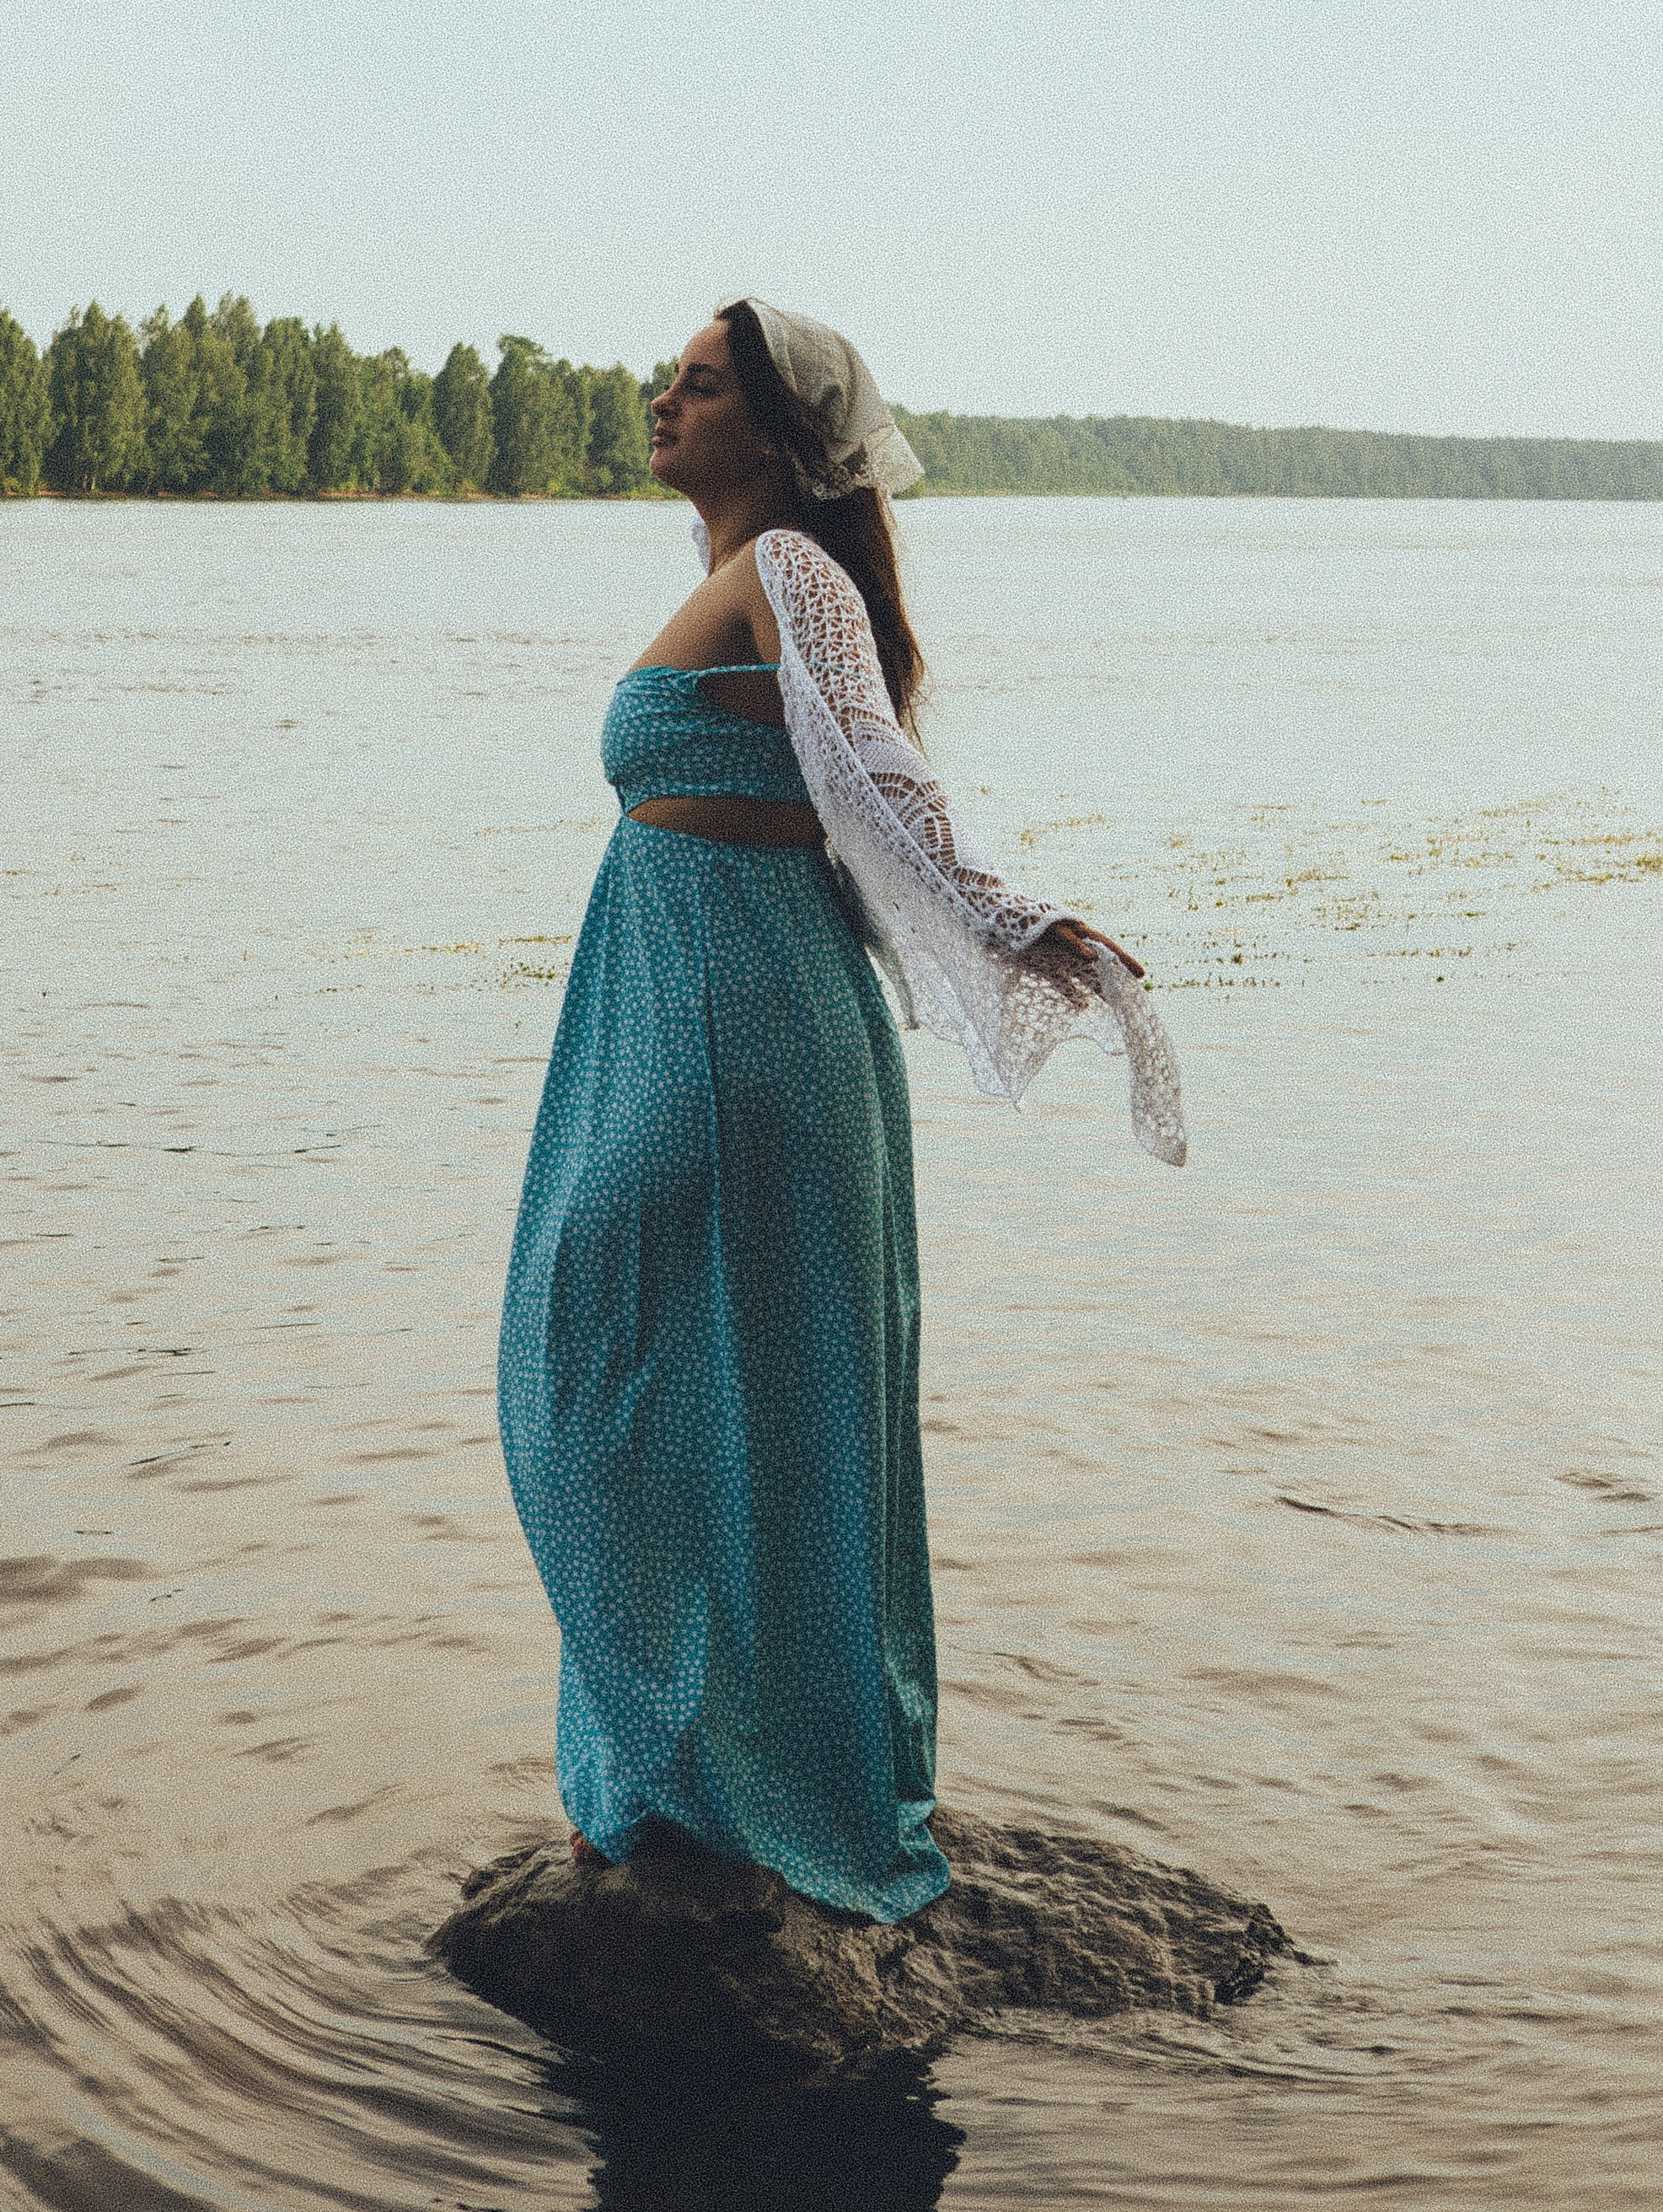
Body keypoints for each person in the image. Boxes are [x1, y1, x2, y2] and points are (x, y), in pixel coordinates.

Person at [496, 298, 1183, 1924]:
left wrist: (1015, 925)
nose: (664, 397)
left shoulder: (792, 573)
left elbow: (876, 788)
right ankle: (695, 1764)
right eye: (670, 373)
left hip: (745, 1038)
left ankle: (738, 1783)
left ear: (787, 436)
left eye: (704, 382)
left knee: (646, 1385)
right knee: (644, 1389)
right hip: (687, 1017)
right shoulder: (732, 582)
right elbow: (839, 803)